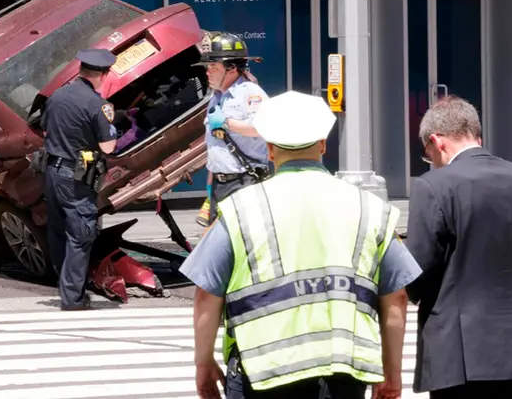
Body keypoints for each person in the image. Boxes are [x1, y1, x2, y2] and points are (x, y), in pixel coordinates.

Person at [179, 90, 420, 399]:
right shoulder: (370, 208)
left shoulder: (241, 209)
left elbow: (206, 295)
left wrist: (203, 362)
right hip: (342, 375)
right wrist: (391, 371)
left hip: (261, 373)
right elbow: (396, 297)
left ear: (269, 150)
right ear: (323, 145)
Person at [405, 95, 512, 398]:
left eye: (428, 154)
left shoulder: (434, 186)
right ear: (477, 135)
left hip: (460, 354)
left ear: (437, 141)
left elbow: (417, 273)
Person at [41, 49, 118, 311]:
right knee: (80, 234)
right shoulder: (98, 105)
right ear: (104, 75)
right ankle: (73, 298)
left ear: (81, 70)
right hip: (76, 177)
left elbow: (45, 129)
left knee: (57, 231)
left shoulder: (57, 96)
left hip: (52, 171)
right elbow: (108, 147)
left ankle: (64, 285)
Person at [193, 32, 270, 227]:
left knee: (245, 238)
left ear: (232, 69)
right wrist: (210, 192)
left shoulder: (250, 93)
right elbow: (216, 146)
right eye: (207, 67)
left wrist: (227, 123)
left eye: (214, 67)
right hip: (220, 184)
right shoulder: (217, 97)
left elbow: (261, 127)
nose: (208, 72)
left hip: (245, 182)